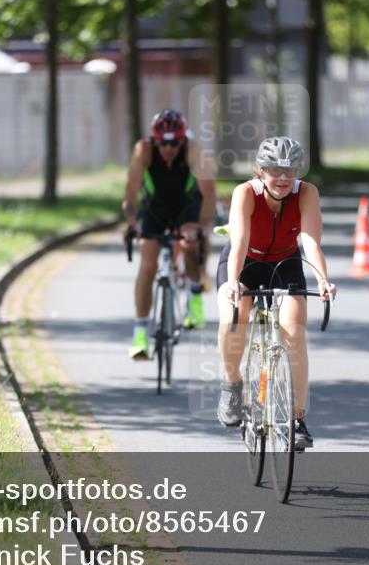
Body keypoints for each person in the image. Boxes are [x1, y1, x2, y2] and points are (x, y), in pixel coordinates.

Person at [215, 136, 337, 450]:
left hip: (286, 262)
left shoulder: (307, 193)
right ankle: (232, 384)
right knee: (234, 315)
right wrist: (232, 282)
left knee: (294, 333)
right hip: (245, 261)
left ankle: (296, 419)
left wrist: (323, 279)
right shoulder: (245, 193)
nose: (282, 177)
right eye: (274, 169)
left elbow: (310, 241)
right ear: (260, 171)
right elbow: (239, 241)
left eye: (290, 170)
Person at [122, 109, 216, 359]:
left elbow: (208, 193)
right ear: (155, 139)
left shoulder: (193, 150)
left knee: (189, 246)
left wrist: (201, 226)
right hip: (155, 209)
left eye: (174, 142)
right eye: (163, 142)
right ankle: (140, 335)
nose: (169, 147)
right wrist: (132, 223)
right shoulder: (143, 150)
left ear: (183, 139)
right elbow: (131, 192)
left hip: (187, 207)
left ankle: (194, 300)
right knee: (148, 264)